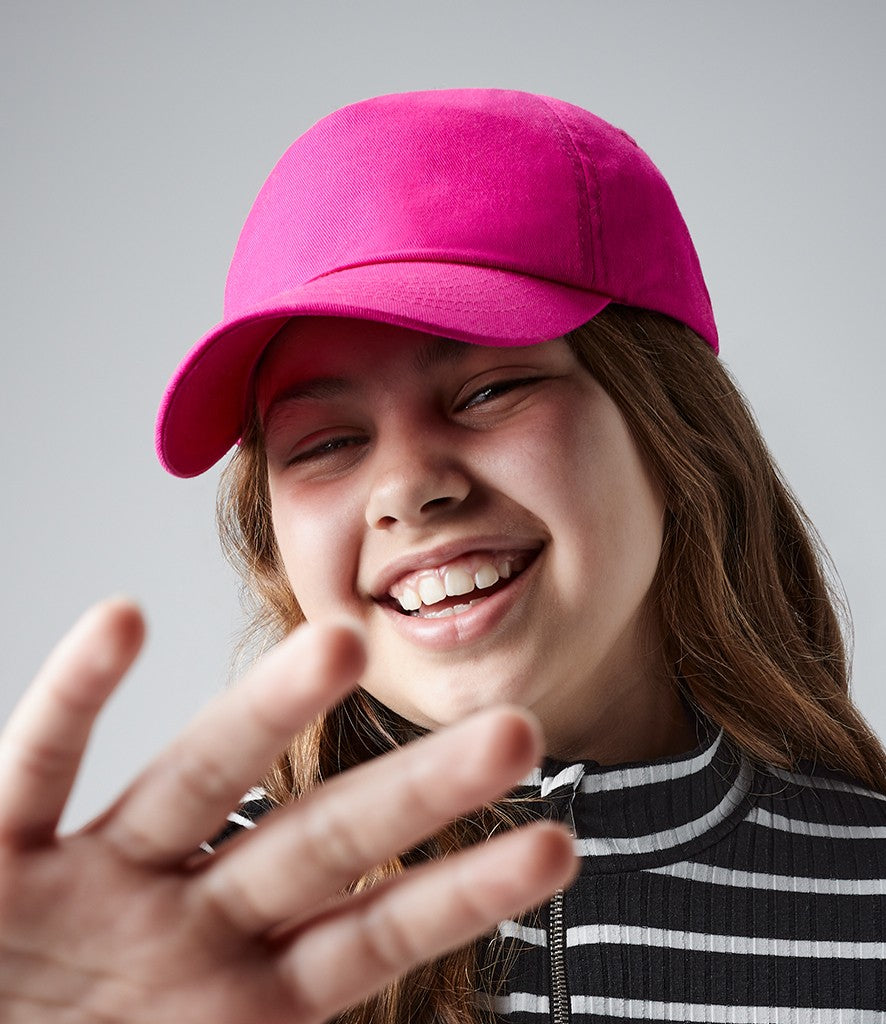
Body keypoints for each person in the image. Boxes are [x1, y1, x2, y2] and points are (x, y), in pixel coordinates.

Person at [2, 88, 885, 1023]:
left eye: (489, 390)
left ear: (677, 432)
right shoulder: (177, 945)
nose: (406, 488)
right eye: (326, 443)